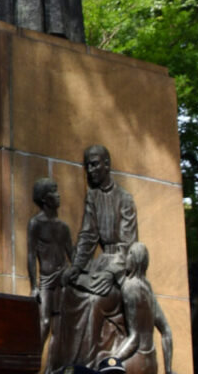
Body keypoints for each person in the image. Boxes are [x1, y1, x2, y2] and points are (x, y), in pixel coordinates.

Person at [59, 145, 139, 367]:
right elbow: (87, 235)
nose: (90, 170)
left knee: (94, 302)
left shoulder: (125, 198)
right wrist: (75, 267)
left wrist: (112, 274)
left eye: (94, 164)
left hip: (119, 266)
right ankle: (66, 365)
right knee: (69, 292)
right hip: (100, 263)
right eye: (87, 166)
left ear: (107, 164)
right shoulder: (93, 196)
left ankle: (87, 366)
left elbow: (129, 244)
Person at [28, 177, 74, 373]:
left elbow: (72, 255)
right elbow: (30, 255)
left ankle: (50, 370)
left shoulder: (63, 227)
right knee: (44, 322)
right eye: (55, 192)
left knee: (59, 327)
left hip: (62, 279)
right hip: (45, 280)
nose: (59, 195)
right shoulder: (35, 224)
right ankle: (32, 366)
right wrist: (33, 287)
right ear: (46, 199)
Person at [112, 243, 173, 374]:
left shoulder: (129, 286)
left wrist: (113, 360)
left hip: (136, 360)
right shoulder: (148, 288)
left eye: (130, 254)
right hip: (152, 362)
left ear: (136, 259)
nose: (127, 258)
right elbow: (166, 331)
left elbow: (135, 338)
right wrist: (168, 369)